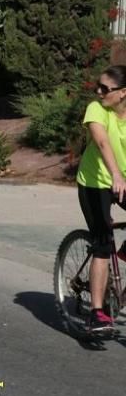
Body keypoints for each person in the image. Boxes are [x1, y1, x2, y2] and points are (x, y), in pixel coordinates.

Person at [76, 66, 126, 335]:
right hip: (95, 183)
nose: (98, 92)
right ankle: (97, 313)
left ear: (122, 93)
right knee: (103, 243)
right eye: (98, 86)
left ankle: (123, 254)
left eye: (105, 89)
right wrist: (116, 175)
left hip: (123, 181)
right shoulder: (97, 109)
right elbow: (103, 143)